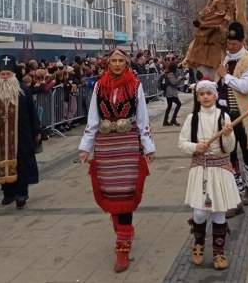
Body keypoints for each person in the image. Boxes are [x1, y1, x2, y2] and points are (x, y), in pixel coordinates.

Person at [78, 48, 156, 273]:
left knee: (126, 191)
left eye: (121, 60)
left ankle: (122, 248)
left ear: (127, 62)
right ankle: (123, 229)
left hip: (128, 144)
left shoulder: (136, 85)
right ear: (107, 63)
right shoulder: (99, 86)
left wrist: (148, 146)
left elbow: (142, 118)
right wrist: (86, 147)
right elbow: (93, 117)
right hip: (105, 145)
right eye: (114, 60)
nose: (117, 64)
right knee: (110, 190)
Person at [178, 80, 239, 270]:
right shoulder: (192, 118)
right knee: (200, 211)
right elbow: (181, 143)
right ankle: (198, 243)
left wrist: (228, 134)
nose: (205, 97)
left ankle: (219, 252)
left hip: (220, 168)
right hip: (200, 168)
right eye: (201, 94)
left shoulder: (225, 116)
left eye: (209, 93)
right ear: (197, 97)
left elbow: (230, 148)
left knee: (219, 211)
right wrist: (196, 146)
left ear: (215, 96)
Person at [216, 22, 248, 217]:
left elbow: (245, 87)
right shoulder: (223, 58)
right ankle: (235, 193)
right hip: (225, 116)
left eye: (235, 43)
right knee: (229, 153)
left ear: (243, 41)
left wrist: (225, 76)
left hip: (245, 116)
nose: (231, 46)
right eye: (229, 43)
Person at [0, 55, 40, 209]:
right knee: (4, 164)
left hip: (22, 135)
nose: (5, 77)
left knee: (22, 164)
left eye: (8, 74)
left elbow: (33, 113)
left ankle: (22, 193)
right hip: (2, 137)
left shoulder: (23, 91)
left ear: (13, 75)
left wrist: (37, 131)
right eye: (3, 74)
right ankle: (8, 193)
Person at [162, 62, 183, 127]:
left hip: (169, 92)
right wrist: (179, 78)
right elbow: (174, 82)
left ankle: (165, 121)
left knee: (169, 106)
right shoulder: (170, 74)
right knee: (179, 104)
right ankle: (173, 120)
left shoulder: (168, 73)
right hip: (170, 92)